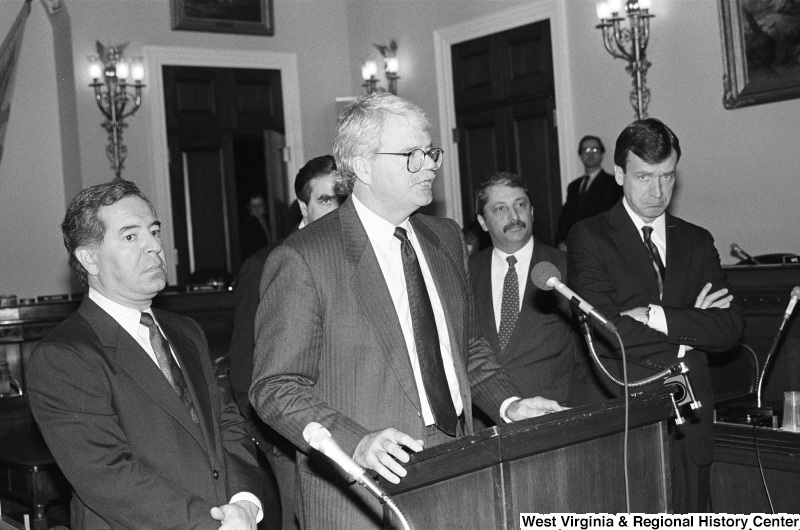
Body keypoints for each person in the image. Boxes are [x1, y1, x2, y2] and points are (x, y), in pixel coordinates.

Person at [249, 93, 563, 529]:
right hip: (363, 492)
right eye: (412, 154)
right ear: (361, 166)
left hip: (460, 469)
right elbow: (275, 387)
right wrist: (355, 443)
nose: (431, 164)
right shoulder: (305, 257)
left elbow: (463, 349)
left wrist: (508, 404)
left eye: (430, 151)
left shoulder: (445, 237)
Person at [27, 180, 264, 529]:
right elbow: (107, 477)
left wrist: (244, 503)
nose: (154, 246)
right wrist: (212, 524)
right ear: (89, 258)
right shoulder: (63, 356)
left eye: (154, 231)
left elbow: (228, 425)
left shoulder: (185, 331)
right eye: (130, 236)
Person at [566, 118, 744, 513]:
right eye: (645, 176)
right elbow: (608, 332)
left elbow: (730, 328)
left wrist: (653, 315)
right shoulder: (589, 236)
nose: (658, 191)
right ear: (618, 174)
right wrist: (691, 325)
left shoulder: (696, 240)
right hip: (628, 412)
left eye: (667, 176)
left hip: (692, 416)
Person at [229, 154, 344, 530]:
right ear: (304, 205)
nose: (338, 210)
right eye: (327, 199)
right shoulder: (267, 264)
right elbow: (245, 368)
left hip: (358, 433)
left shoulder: (365, 262)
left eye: (344, 199)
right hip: (294, 444)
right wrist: (273, 443)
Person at [469, 172, 609, 426]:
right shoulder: (464, 272)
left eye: (520, 205)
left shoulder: (567, 268)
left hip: (553, 420)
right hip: (484, 425)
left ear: (532, 211)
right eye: (500, 208)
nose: (514, 216)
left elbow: (588, 357)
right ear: (482, 220)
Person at [555, 135, 622, 249]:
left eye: (595, 150)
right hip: (573, 245)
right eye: (586, 150)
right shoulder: (574, 186)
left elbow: (611, 217)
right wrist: (561, 240)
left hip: (600, 245)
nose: (590, 154)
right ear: (580, 155)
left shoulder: (613, 184)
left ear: (601, 154)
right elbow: (566, 217)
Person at [240, 193, 271, 259]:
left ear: (265, 205)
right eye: (254, 206)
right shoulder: (247, 225)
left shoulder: (271, 221)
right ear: (248, 207)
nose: (257, 209)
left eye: (260, 205)